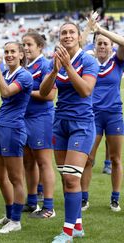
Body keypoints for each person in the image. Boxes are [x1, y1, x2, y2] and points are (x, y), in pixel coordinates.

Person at [39, 22, 98, 242]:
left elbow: (85, 90)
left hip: (81, 125)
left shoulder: (88, 60)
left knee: (72, 179)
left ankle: (67, 232)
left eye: (71, 32)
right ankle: (78, 226)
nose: (67, 35)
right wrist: (55, 70)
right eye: (63, 32)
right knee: (67, 179)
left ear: (78, 36)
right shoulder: (54, 62)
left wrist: (68, 66)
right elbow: (45, 93)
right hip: (60, 124)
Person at [0, 43, 32, 233]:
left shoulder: (24, 75)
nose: (9, 55)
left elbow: (5, 92)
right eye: (7, 52)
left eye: (13, 52)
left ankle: (16, 221)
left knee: (15, 178)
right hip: (0, 127)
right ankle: (9, 214)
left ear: (21, 55)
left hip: (13, 129)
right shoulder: (5, 72)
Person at [81, 12, 123, 212]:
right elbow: (77, 46)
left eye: (106, 44)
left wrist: (101, 30)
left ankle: (115, 198)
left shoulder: (118, 61)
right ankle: (84, 198)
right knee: (88, 158)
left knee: (115, 159)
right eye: (99, 44)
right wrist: (90, 29)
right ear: (95, 46)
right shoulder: (89, 62)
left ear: (111, 46)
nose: (103, 46)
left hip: (114, 114)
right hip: (93, 115)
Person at [21, 31, 56, 218]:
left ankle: (49, 207)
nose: (25, 48)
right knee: (28, 162)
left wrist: (24, 91)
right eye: (24, 45)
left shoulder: (46, 65)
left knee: (43, 162)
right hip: (24, 118)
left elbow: (50, 95)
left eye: (29, 45)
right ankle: (32, 201)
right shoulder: (25, 67)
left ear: (40, 46)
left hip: (41, 118)